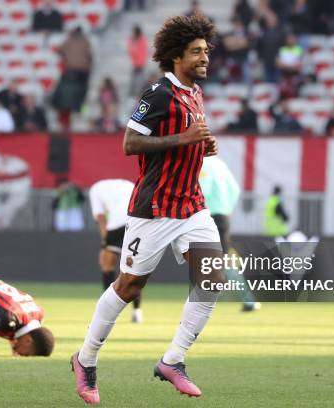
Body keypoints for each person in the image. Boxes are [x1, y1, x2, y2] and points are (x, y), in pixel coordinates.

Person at [71, 14, 221, 404]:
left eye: (206, 50)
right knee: (129, 286)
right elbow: (130, 144)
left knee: (212, 278)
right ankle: (85, 358)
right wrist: (184, 137)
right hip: (155, 208)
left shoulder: (195, 93)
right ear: (176, 56)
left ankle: (173, 360)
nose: (205, 57)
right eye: (196, 52)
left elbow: (184, 142)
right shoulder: (158, 93)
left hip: (191, 205)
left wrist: (199, 146)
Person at [198, 156, 259, 312]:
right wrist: (228, 209)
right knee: (222, 259)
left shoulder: (203, 164)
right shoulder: (220, 163)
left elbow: (203, 189)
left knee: (217, 260)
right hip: (222, 216)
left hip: (210, 216)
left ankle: (246, 299)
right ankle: (247, 300)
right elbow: (235, 189)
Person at [88, 179, 142, 322]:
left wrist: (104, 245)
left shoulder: (95, 189)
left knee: (107, 266)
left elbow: (101, 218)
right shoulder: (128, 184)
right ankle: (137, 311)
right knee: (135, 271)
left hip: (117, 224)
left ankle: (108, 310)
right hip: (137, 222)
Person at [127, 25, 149, 96]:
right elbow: (130, 49)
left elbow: (143, 52)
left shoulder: (142, 40)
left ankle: (140, 92)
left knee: (140, 78)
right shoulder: (132, 39)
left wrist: (140, 62)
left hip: (140, 63)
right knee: (134, 78)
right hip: (135, 62)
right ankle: (132, 92)